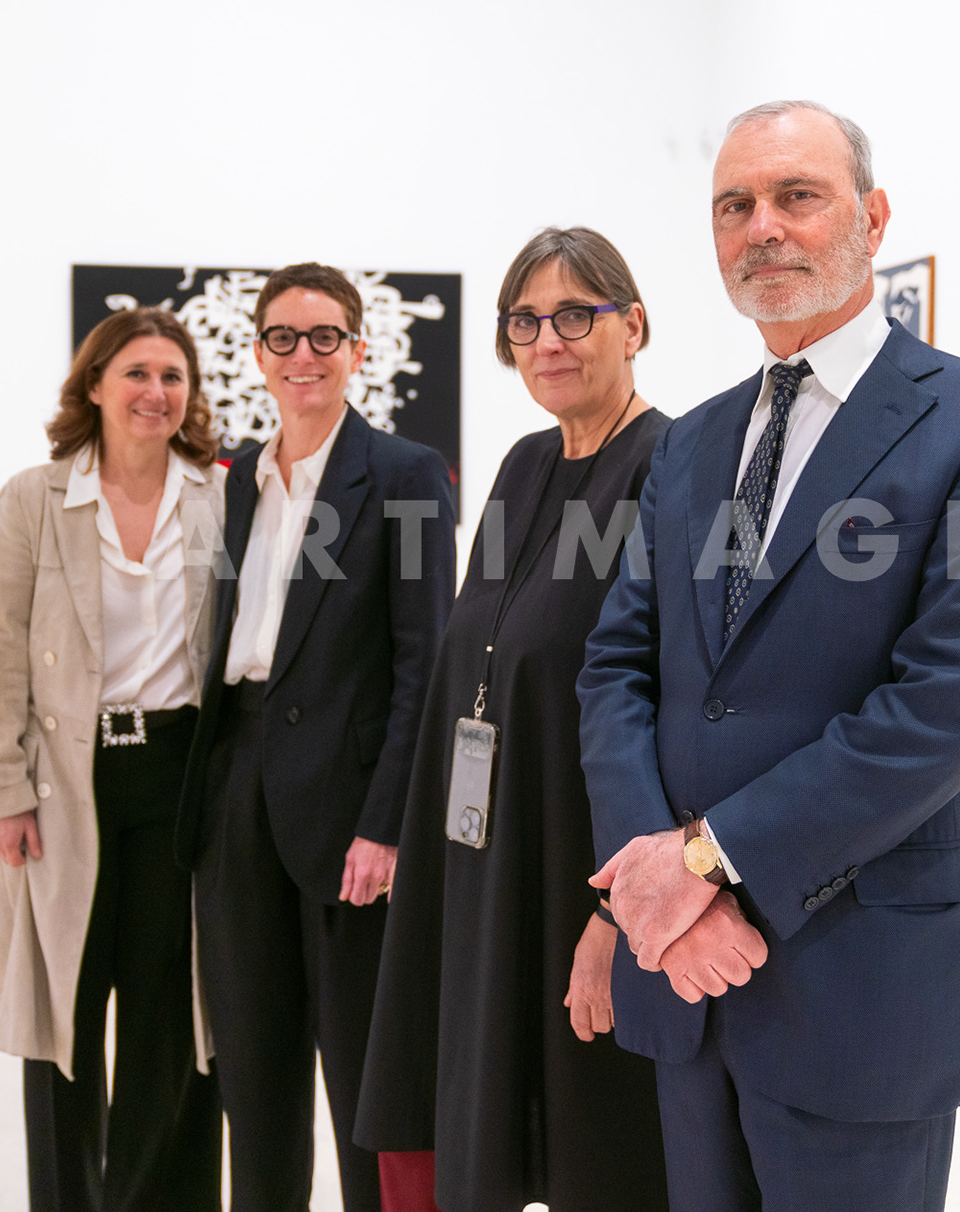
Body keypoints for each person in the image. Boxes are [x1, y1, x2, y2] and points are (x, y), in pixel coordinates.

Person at [578, 101, 960, 1211]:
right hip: (685, 979)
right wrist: (654, 886)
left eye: (798, 196)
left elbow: (941, 708)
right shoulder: (691, 442)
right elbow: (617, 668)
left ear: (872, 218)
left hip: (855, 981)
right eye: (734, 205)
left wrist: (706, 864)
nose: (763, 227)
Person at [358, 228, 672, 1211]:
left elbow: (671, 710)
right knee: (480, 1125)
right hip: (487, 854)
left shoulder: (669, 466)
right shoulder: (524, 465)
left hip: (584, 856)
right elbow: (480, 656)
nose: (548, 341)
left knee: (595, 1140)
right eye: (525, 321)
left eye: (576, 314)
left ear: (633, 325)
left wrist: (613, 913)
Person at [174, 262, 456, 1212]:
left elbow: (425, 664)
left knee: (362, 1084)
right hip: (237, 785)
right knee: (253, 1078)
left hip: (346, 808)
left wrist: (388, 825)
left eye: (326, 336)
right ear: (258, 354)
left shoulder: (406, 473)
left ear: (357, 351)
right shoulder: (241, 478)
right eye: (285, 338)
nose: (305, 355)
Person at [0, 307, 225, 1212]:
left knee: (169, 1014)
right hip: (63, 782)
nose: (156, 392)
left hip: (179, 777)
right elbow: (0, 650)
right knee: (63, 1018)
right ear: (95, 385)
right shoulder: (34, 499)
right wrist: (1, 789)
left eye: (173, 376)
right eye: (137, 373)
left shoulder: (217, 498)